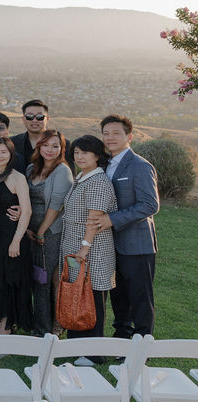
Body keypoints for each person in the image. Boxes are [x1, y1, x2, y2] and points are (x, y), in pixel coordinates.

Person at [96, 115, 160, 339]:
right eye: (106, 133)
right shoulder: (105, 164)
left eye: (116, 133)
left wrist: (112, 219)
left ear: (129, 136)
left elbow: (150, 205)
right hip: (111, 244)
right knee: (119, 297)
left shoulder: (140, 166)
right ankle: (122, 341)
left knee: (140, 299)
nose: (110, 137)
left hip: (137, 245)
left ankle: (143, 345)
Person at [61, 135, 118, 357]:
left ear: (97, 155)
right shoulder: (82, 177)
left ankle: (94, 354)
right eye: (76, 152)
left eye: (85, 152)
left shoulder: (97, 182)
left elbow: (94, 220)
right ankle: (77, 347)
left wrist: (84, 249)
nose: (80, 156)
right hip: (76, 248)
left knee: (92, 300)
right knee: (77, 297)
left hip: (91, 250)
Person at [0, 137, 32, 335]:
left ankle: (7, 325)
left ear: (11, 154)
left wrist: (16, 241)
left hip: (13, 234)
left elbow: (26, 211)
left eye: (3, 152)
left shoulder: (17, 177)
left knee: (8, 278)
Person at [25, 129, 73, 336]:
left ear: (62, 149)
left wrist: (41, 231)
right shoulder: (30, 169)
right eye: (46, 145)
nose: (50, 150)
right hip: (30, 233)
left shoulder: (62, 171)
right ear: (39, 147)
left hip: (50, 234)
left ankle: (48, 327)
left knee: (46, 279)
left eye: (56, 146)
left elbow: (56, 205)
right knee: (35, 278)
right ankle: (37, 322)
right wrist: (27, 228)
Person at [11, 99, 52, 173]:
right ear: (23, 119)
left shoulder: (62, 144)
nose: (35, 120)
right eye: (29, 116)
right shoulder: (11, 143)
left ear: (47, 119)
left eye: (40, 117)